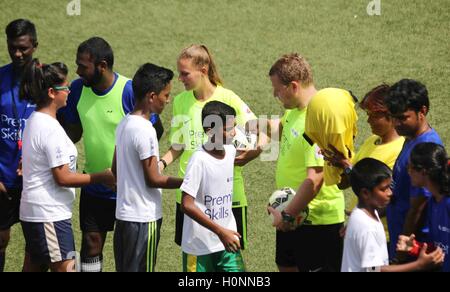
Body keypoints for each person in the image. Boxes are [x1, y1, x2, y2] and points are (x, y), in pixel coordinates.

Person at [59, 37, 162, 272]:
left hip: (128, 189)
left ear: (102, 65)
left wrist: (131, 168)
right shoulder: (76, 89)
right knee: (90, 244)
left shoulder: (128, 91)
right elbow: (73, 131)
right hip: (94, 183)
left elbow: (155, 130)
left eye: (83, 66)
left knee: (127, 251)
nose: (78, 71)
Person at [19, 59, 115, 272]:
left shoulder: (36, 120)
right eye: (65, 87)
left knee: (33, 267)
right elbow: (62, 178)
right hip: (49, 215)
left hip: (37, 212)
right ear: (52, 93)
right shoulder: (49, 129)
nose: (70, 91)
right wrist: (102, 176)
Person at [160, 45, 259, 250]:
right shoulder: (180, 101)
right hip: (190, 198)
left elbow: (258, 129)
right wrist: (161, 163)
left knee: (229, 259)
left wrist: (253, 153)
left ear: (203, 71)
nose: (180, 78)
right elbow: (178, 145)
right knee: (195, 262)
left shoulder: (228, 98)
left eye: (185, 73)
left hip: (228, 198)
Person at [265, 53, 345, 272]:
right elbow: (278, 127)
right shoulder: (294, 111)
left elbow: (315, 178)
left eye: (277, 89)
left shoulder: (318, 118)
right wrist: (242, 126)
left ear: (293, 86)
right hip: (293, 214)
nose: (275, 94)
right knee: (285, 265)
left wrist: (288, 215)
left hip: (316, 222)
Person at [112, 63, 183, 272]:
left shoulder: (124, 123)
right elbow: (153, 179)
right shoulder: (146, 130)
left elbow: (115, 169)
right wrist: (189, 182)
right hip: (144, 219)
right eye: (166, 95)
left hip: (124, 217)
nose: (168, 100)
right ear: (152, 96)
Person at [321, 84, 405, 242]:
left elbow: (388, 198)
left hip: (380, 236)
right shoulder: (372, 141)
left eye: (373, 115)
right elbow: (347, 184)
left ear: (390, 115)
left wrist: (347, 167)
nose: (368, 120)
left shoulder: (399, 150)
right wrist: (339, 164)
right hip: (359, 231)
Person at [341, 158, 444, 272]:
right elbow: (373, 269)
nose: (390, 193)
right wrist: (419, 265)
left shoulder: (367, 213)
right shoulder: (367, 227)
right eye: (384, 189)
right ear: (365, 193)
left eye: (390, 187)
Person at [180, 101, 245, 272]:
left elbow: (245, 155)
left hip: (227, 240)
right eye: (229, 128)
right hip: (199, 247)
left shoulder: (230, 151)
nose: (234, 132)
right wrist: (220, 231)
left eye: (235, 126)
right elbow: (187, 204)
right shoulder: (198, 160)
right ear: (210, 130)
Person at [384, 79, 443, 259]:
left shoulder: (426, 147)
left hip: (415, 247)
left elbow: (418, 207)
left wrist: (401, 252)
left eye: (402, 117)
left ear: (422, 112)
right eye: (393, 117)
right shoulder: (411, 138)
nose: (396, 124)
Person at [0, 18, 38, 272]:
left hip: (35, 181)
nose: (17, 53)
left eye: (23, 47)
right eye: (12, 47)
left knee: (36, 246)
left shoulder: (47, 80)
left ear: (35, 45)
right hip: (2, 180)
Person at [397, 143, 450, 272]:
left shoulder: (447, 203)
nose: (408, 171)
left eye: (410, 167)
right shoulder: (433, 202)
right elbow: (438, 250)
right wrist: (415, 248)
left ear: (423, 172)